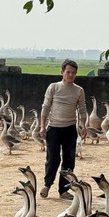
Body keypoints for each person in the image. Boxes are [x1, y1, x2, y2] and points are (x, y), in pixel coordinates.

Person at [39, 59, 87, 199]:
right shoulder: (53, 87)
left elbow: (82, 110)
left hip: (70, 129)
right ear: (62, 72)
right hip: (53, 129)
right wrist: (42, 126)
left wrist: (83, 125)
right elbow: (45, 107)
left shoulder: (79, 90)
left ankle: (63, 190)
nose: (70, 75)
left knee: (69, 160)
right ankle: (47, 185)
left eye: (73, 73)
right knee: (53, 159)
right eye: (68, 72)